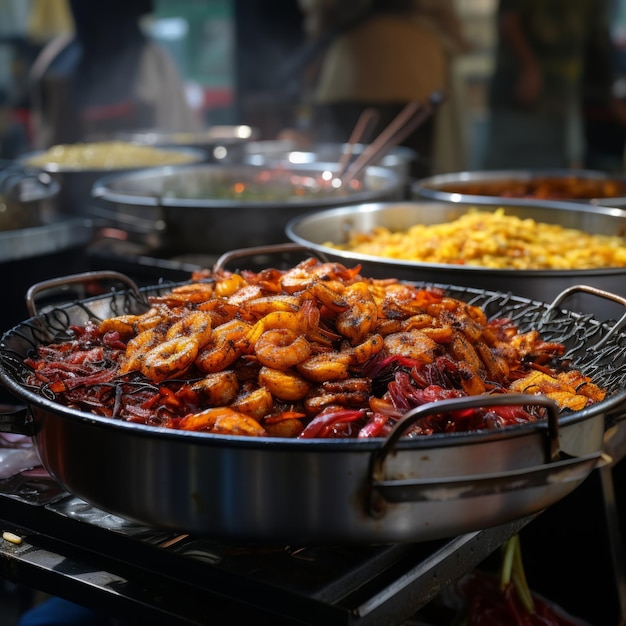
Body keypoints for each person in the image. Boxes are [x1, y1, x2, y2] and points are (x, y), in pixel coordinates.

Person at [292, 0, 471, 179]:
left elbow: (318, 11)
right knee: (404, 173)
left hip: (354, 74)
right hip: (413, 69)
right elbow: (447, 17)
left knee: (351, 167)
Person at [28, 0, 201, 150]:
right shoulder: (55, 62)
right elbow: (46, 139)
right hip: (70, 182)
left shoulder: (152, 62)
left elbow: (179, 136)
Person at [482, 0, 608, 170]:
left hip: (565, 100)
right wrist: (529, 66)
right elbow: (509, 20)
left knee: (557, 174)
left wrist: (609, 93)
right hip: (517, 102)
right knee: (508, 174)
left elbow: (598, 40)